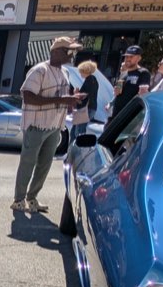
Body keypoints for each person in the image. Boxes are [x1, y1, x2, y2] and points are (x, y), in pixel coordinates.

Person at [13, 37, 83, 213]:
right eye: (68, 51)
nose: (71, 55)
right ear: (55, 52)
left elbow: (60, 97)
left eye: (73, 51)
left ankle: (32, 197)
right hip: (37, 124)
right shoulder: (39, 70)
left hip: (54, 125)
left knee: (45, 164)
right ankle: (19, 199)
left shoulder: (65, 73)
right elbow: (28, 96)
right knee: (28, 162)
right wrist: (62, 99)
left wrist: (71, 101)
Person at [111, 45, 150, 122]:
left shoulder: (143, 73)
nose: (128, 59)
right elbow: (117, 92)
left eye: (131, 57)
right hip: (117, 113)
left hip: (131, 115)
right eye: (126, 57)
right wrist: (116, 91)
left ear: (139, 58)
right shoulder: (124, 73)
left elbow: (143, 94)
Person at [70, 60, 100, 141]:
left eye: (81, 72)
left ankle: (77, 151)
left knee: (79, 132)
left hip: (86, 109)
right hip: (90, 108)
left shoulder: (89, 80)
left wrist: (76, 93)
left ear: (85, 71)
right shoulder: (93, 80)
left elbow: (85, 95)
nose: (80, 74)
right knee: (75, 130)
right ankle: (72, 149)